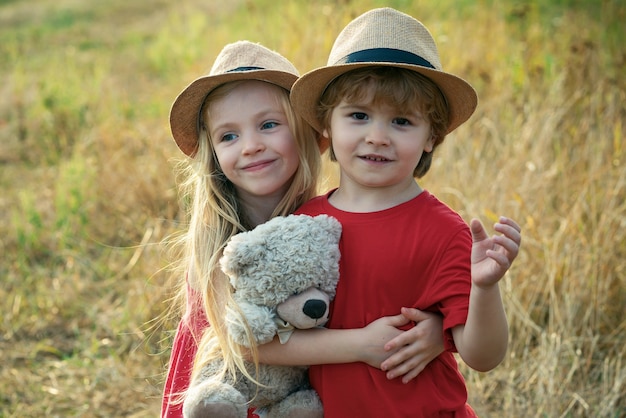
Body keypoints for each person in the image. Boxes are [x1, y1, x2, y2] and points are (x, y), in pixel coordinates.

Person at [161, 40, 446, 418]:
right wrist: (362, 345)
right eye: (228, 136)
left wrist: (438, 331)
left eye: (268, 125)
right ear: (212, 153)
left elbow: (379, 294)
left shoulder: (324, 220)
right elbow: (245, 342)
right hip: (232, 397)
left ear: (304, 132)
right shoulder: (215, 243)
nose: (250, 146)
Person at [283, 7, 522, 417]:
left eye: (401, 122)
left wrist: (485, 288)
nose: (377, 137)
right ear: (326, 125)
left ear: (432, 136)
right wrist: (359, 343)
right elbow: (273, 341)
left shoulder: (443, 231)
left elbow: (483, 356)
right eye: (358, 116)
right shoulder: (305, 222)